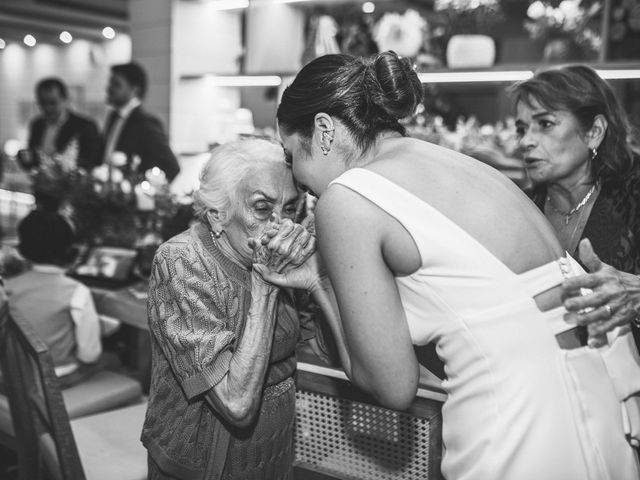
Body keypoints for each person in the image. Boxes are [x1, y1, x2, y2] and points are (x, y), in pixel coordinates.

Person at [273, 51, 640, 479]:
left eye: (291, 155)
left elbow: (392, 384)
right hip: (594, 402)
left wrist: (319, 280)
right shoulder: (457, 165)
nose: (299, 181)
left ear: (323, 130)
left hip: (517, 420)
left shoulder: (347, 198)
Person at [141, 137, 315, 480]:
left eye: (292, 209)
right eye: (262, 209)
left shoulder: (279, 252)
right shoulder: (181, 261)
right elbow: (236, 404)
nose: (282, 226)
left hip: (275, 452)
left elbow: (321, 347)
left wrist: (315, 281)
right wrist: (265, 285)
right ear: (218, 215)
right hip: (202, 462)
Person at [508, 65, 640, 350]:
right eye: (522, 129)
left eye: (545, 124)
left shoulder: (634, 193)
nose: (526, 141)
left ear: (594, 132)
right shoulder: (520, 207)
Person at [4, 209, 104, 388]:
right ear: (69, 248)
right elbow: (89, 356)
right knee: (113, 360)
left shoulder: (6, 289)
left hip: (9, 379)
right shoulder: (77, 291)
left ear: (23, 248)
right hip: (53, 382)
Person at [102, 62, 180, 182]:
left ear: (134, 89)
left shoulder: (145, 123)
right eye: (110, 83)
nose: (109, 88)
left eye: (116, 84)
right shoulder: (113, 117)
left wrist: (140, 189)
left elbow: (171, 166)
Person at [25, 77, 102, 170]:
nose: (47, 108)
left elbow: (91, 162)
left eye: (53, 103)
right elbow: (31, 159)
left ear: (65, 99)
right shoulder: (36, 124)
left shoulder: (85, 126)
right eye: (42, 103)